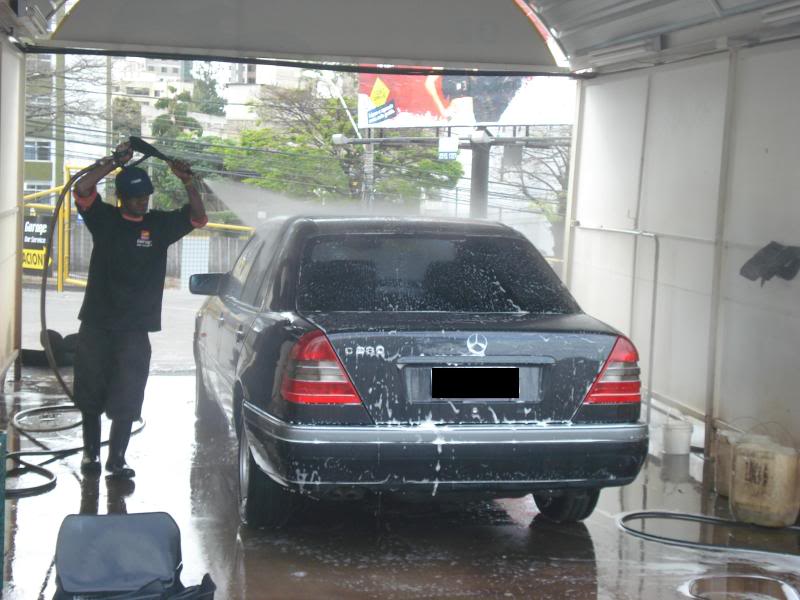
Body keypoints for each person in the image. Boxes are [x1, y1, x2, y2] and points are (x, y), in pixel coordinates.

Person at [72, 140, 208, 478]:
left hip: (135, 328)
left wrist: (187, 182)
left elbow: (199, 218)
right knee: (90, 390)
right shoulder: (102, 219)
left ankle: (116, 460)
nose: (142, 202)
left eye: (145, 197)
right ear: (121, 198)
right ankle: (90, 455)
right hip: (97, 324)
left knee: (128, 394)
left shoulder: (159, 226)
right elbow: (82, 188)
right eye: (135, 197)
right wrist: (113, 163)